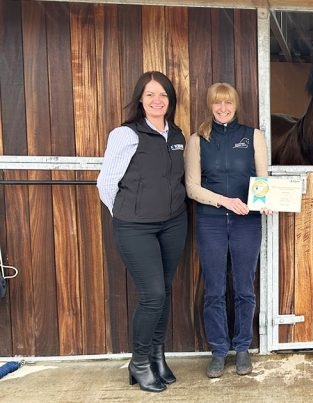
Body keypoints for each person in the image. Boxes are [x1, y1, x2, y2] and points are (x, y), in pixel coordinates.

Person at [96, 71, 187, 393]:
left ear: (170, 100)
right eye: (150, 94)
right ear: (140, 99)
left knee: (163, 290)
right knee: (153, 296)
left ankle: (157, 356)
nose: (156, 100)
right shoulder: (125, 134)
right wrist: (126, 214)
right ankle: (139, 362)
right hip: (136, 227)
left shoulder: (177, 135)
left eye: (162, 94)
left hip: (174, 222)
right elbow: (106, 184)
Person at [184, 83, 270, 378]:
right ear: (210, 105)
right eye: (217, 103)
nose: (223, 108)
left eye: (228, 103)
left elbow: (263, 180)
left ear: (235, 105)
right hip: (211, 221)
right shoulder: (198, 140)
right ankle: (219, 349)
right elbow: (192, 187)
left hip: (246, 220)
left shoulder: (252, 136)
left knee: (245, 287)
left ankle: (243, 347)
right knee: (215, 289)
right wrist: (224, 201)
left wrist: (265, 202)